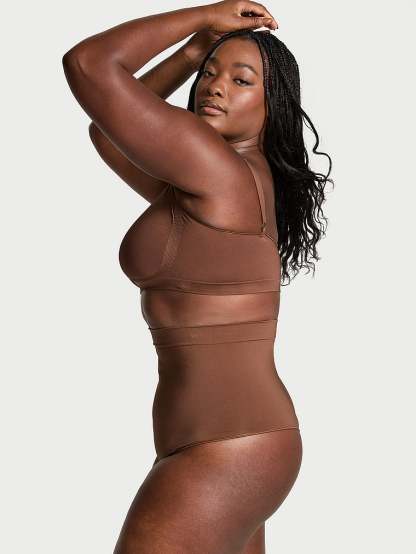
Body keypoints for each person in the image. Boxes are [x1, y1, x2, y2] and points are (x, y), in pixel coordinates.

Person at [62, 1, 333, 552]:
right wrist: (193, 51)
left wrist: (206, 18)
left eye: (241, 80)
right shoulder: (214, 178)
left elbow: (89, 64)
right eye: (210, 73)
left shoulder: (219, 171)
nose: (215, 87)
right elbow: (106, 133)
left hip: (227, 448)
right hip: (228, 444)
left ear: (273, 106)